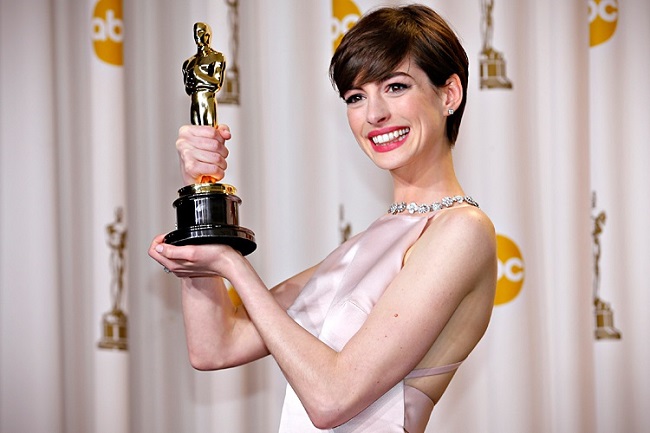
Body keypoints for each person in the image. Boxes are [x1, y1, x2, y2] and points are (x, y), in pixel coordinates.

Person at [149, 5, 497, 432]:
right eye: (356, 96)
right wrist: (200, 203)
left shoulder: (463, 229)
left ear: (448, 95)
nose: (374, 114)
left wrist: (231, 265)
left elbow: (332, 399)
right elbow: (215, 346)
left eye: (395, 86)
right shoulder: (367, 244)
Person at [182, 22, 226, 127]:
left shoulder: (217, 57)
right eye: (195, 32)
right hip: (195, 101)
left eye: (201, 31)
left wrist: (198, 74)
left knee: (209, 133)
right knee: (196, 135)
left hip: (207, 99)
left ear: (208, 35)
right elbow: (188, 88)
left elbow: (216, 83)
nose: (198, 35)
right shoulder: (188, 63)